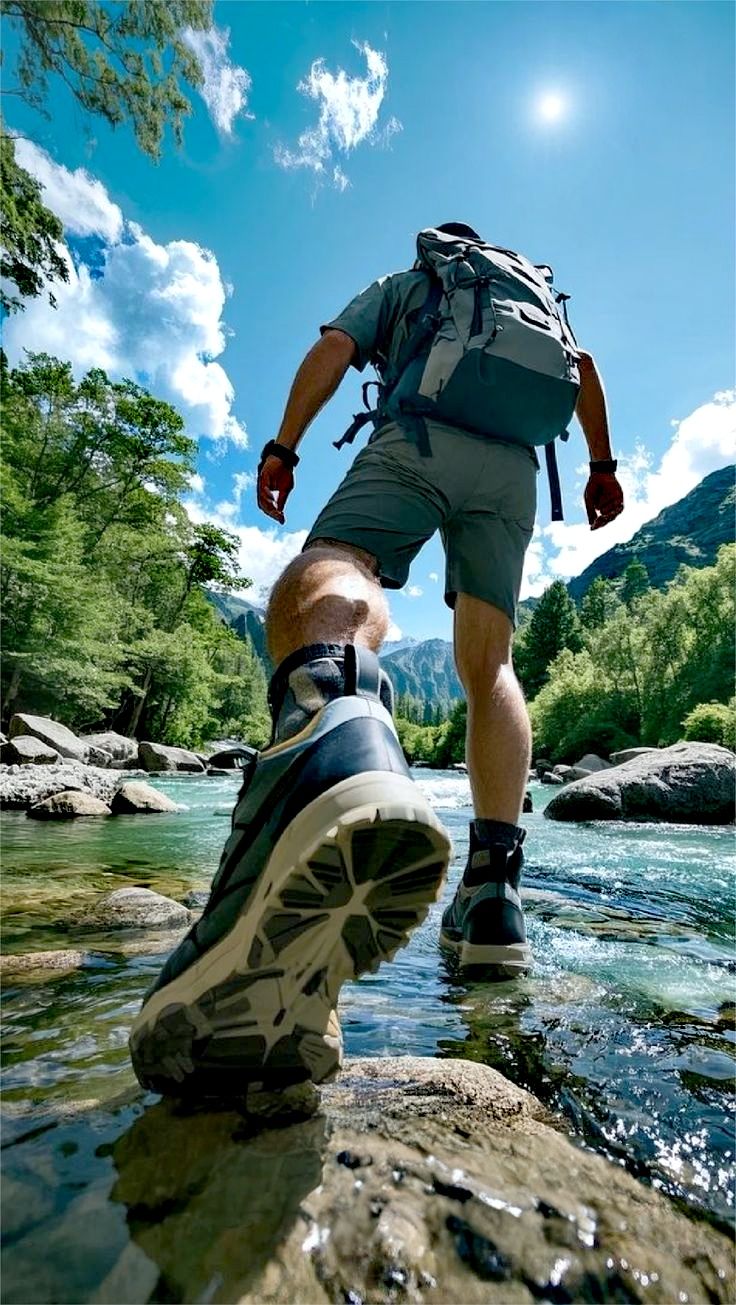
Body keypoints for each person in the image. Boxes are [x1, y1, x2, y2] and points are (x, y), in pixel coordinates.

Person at [129, 223, 624, 1097]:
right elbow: (583, 376)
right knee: (490, 665)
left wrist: (283, 445)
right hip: (513, 468)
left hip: (422, 437)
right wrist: (601, 465)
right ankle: (491, 899)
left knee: (336, 565)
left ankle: (331, 733)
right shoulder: (535, 302)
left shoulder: (415, 282)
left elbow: (334, 347)